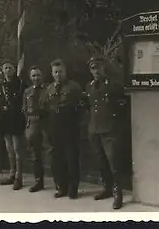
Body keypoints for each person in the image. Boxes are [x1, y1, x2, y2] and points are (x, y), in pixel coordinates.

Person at [85, 56, 126, 210]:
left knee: (113, 162)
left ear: (103, 68)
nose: (96, 71)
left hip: (109, 129)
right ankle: (107, 188)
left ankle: (118, 193)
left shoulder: (113, 85)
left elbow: (122, 105)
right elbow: (88, 106)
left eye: (98, 67)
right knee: (101, 161)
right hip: (94, 129)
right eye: (93, 68)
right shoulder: (89, 86)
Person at [41, 58, 83, 199]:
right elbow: (45, 109)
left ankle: (73, 188)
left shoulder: (74, 87)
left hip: (70, 128)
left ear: (65, 72)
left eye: (60, 72)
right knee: (57, 160)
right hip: (55, 129)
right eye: (55, 72)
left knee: (72, 159)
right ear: (52, 74)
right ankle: (61, 187)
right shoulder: (49, 89)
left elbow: (81, 108)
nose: (58, 74)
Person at [0, 61, 26, 190]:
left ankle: (19, 178)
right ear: (3, 71)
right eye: (5, 68)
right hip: (5, 120)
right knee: (9, 150)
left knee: (17, 150)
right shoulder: (1, 86)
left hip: (16, 120)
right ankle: (12, 174)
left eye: (10, 68)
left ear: (14, 70)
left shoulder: (20, 85)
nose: (8, 70)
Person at [22, 66, 47, 193]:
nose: (36, 78)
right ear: (30, 78)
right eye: (33, 76)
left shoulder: (48, 89)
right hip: (32, 125)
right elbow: (24, 109)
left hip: (46, 124)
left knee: (51, 153)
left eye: (38, 75)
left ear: (42, 76)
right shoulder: (27, 92)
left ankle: (60, 183)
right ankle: (39, 181)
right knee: (35, 155)